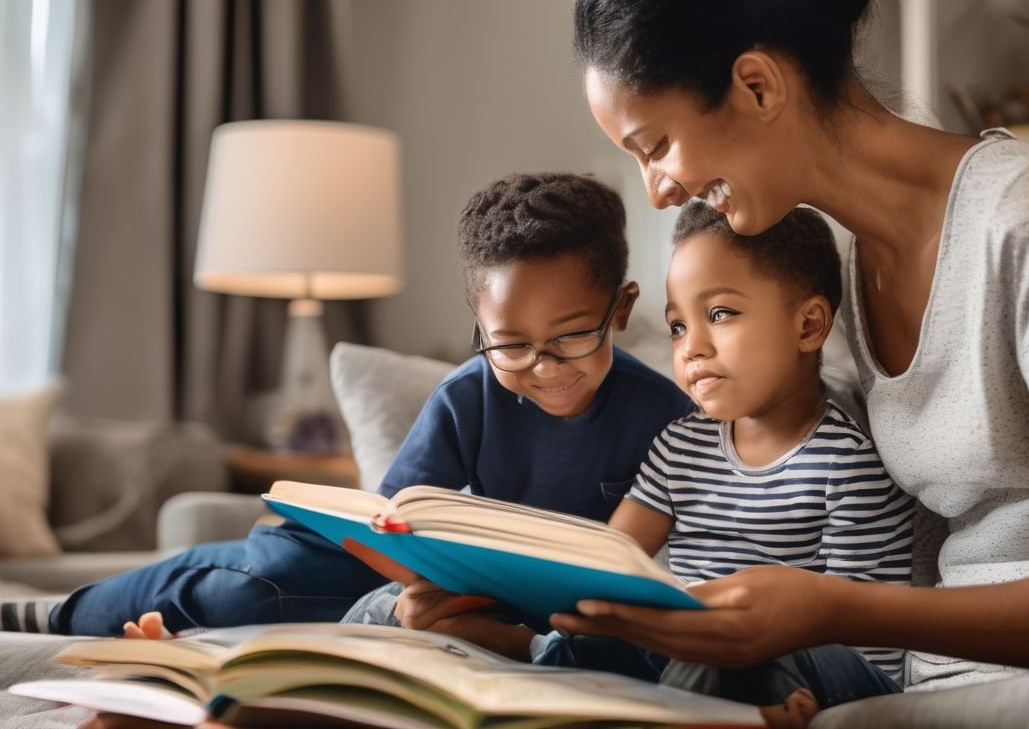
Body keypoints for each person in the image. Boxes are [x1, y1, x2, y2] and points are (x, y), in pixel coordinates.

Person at [553, 0, 1029, 696]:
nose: (659, 193)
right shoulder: (849, 261)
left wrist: (830, 609)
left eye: (655, 147)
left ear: (758, 85)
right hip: (933, 683)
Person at [47, 170, 691, 638]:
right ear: (479, 327)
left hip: (523, 605)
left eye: (572, 336)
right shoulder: (470, 394)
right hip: (391, 567)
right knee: (255, 586)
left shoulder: (664, 415)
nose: (544, 366)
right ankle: (57, 611)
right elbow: (387, 531)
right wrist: (438, 583)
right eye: (511, 344)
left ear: (623, 309)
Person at [376, 203, 914, 728]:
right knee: (627, 637)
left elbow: (862, 632)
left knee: (723, 660)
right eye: (678, 326)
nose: (692, 347)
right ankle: (564, 664)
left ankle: (718, 705)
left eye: (720, 314)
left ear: (809, 325)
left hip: (819, 663)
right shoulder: (681, 445)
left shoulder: (845, 462)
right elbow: (604, 564)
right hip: (691, 651)